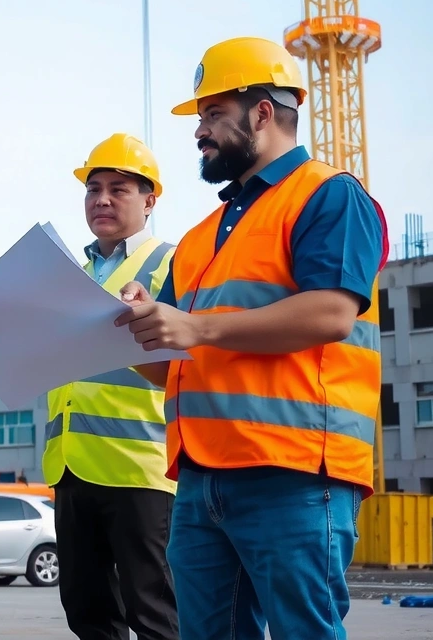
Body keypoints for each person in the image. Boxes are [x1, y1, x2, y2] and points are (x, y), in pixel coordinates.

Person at [116, 37, 387, 640]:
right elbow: (183, 362)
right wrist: (136, 337)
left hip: (294, 471)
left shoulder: (329, 195)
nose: (199, 131)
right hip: (202, 475)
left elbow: (332, 313)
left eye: (213, 114)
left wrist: (193, 325)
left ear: (263, 112)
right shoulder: (198, 238)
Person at [45, 135, 180, 640]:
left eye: (118, 189)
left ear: (150, 200)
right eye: (93, 188)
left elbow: (188, 358)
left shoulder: (172, 264)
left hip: (140, 467)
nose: (101, 198)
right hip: (71, 466)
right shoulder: (70, 275)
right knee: (88, 612)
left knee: (155, 612)